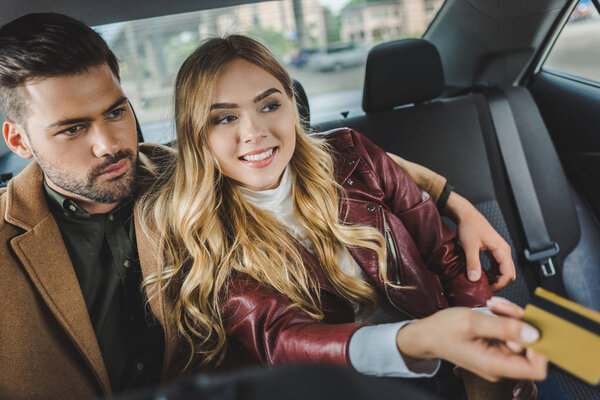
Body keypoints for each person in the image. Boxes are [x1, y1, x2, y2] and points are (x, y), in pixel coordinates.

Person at [0, 13, 538, 399]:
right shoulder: (197, 212)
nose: (109, 144)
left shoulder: (173, 172)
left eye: (117, 112)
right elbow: (279, 337)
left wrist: (454, 201)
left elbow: (340, 158)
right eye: (72, 129)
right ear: (19, 140)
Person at [137, 35, 544, 399]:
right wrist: (417, 340)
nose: (253, 131)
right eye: (225, 117)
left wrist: (478, 329)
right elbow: (283, 339)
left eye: (269, 105)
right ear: (196, 134)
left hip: (457, 360)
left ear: (292, 107)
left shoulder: (352, 155)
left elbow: (445, 252)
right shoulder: (205, 232)